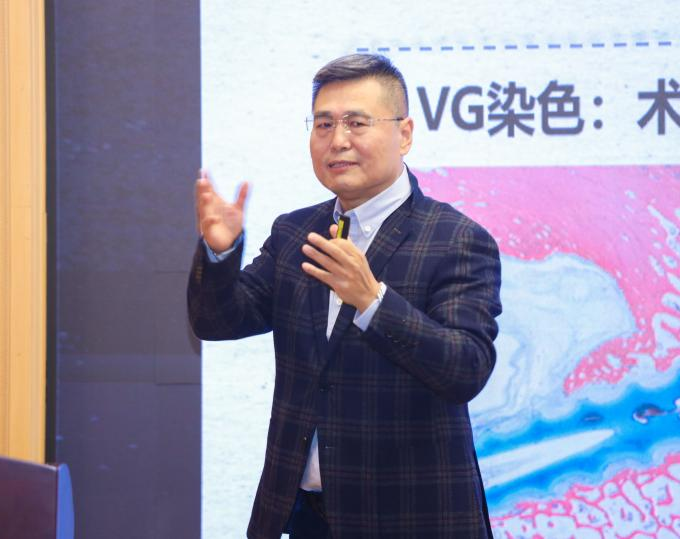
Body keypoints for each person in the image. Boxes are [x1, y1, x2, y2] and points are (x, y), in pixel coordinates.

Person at [189, 53, 502, 538]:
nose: (337, 140)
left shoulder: (456, 239)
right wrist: (220, 254)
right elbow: (219, 321)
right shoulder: (296, 233)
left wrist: (374, 301)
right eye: (323, 124)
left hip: (412, 519)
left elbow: (466, 369)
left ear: (404, 134)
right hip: (303, 518)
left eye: (357, 123)